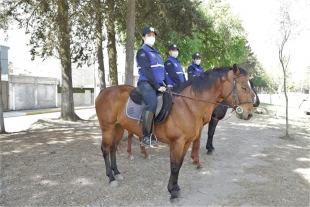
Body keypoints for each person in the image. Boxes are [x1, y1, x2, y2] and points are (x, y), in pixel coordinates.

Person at [136, 26, 167, 146]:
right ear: (143, 37)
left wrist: (166, 84)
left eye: (153, 35)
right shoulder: (142, 52)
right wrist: (157, 86)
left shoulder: (156, 53)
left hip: (158, 84)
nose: (151, 37)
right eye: (149, 35)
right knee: (152, 103)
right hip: (146, 84)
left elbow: (161, 71)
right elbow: (147, 71)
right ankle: (145, 137)